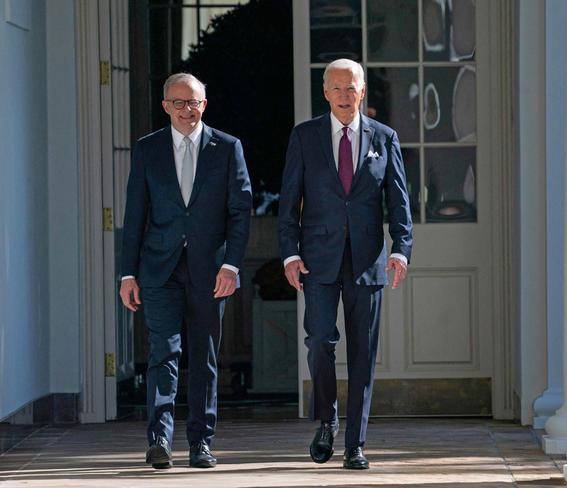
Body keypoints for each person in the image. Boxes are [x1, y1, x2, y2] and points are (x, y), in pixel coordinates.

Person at [278, 59, 413, 470]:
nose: (343, 95)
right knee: (320, 342)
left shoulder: (384, 137)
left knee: (362, 355)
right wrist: (290, 252)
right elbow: (289, 202)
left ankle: (355, 443)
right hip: (317, 260)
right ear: (325, 92)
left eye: (350, 87)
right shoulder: (305, 137)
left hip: (368, 261)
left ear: (363, 90)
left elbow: (399, 200)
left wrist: (400, 248)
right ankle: (327, 419)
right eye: (336, 88)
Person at [119, 73, 252, 469]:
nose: (187, 110)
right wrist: (128, 274)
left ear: (204, 105)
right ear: (165, 107)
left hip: (211, 272)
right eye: (178, 103)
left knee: (205, 357)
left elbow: (239, 212)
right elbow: (135, 214)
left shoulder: (227, 148)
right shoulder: (148, 150)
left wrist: (231, 265)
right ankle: (159, 439)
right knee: (164, 352)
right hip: (158, 270)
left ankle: (200, 443)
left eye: (193, 102)